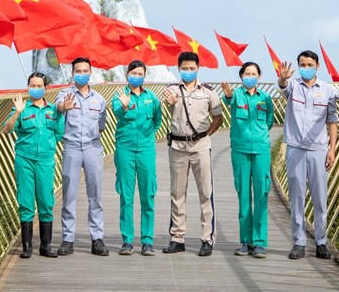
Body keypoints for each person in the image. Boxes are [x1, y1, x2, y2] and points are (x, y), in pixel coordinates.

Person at [161, 51, 224, 256]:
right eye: (184, 68)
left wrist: (205, 135)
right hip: (178, 147)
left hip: (201, 147)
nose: (188, 71)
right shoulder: (172, 90)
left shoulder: (208, 92)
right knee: (177, 193)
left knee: (205, 192)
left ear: (198, 68)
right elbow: (168, 101)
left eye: (192, 68)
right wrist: (171, 101)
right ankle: (177, 238)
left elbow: (218, 118)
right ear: (178, 69)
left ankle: (207, 239)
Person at [277, 50, 339, 260]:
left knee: (320, 197)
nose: (306, 67)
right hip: (295, 148)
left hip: (318, 149)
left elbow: (332, 120)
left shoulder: (328, 90)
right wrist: (283, 78)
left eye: (309, 64)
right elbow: (283, 86)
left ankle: (321, 242)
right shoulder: (293, 86)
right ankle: (299, 242)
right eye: (302, 64)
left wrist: (332, 149)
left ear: (317, 66)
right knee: (297, 196)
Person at [4, 72, 64, 259]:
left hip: (45, 161)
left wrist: (47, 147)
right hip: (25, 160)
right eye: (32, 85)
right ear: (28, 87)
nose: (35, 89)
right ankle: (27, 247)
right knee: (26, 201)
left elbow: (59, 133)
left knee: (46, 201)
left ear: (45, 88)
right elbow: (7, 129)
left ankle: (46, 246)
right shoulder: (22, 108)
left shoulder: (53, 110)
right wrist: (17, 113)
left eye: (39, 86)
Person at [55, 57, 109, 256]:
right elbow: (58, 106)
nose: (82, 74)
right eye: (78, 71)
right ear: (72, 73)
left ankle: (97, 239)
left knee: (95, 194)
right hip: (71, 148)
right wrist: (64, 107)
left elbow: (102, 125)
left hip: (93, 147)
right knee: (69, 194)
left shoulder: (99, 99)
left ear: (90, 72)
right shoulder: (65, 94)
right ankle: (68, 239)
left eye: (85, 71)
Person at [222, 62, 274, 258]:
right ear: (241, 76)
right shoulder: (236, 94)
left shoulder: (265, 98)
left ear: (259, 77)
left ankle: (259, 242)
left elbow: (269, 121)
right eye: (247, 73)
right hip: (240, 150)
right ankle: (245, 241)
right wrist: (228, 94)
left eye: (254, 74)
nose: (250, 77)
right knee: (243, 195)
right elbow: (228, 100)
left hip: (261, 150)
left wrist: (259, 135)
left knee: (262, 194)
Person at [111, 60, 163, 256]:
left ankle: (147, 241)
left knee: (148, 195)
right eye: (133, 73)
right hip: (125, 150)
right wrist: (125, 107)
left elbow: (157, 120)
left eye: (140, 74)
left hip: (146, 151)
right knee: (126, 195)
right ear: (127, 75)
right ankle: (127, 241)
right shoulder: (120, 96)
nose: (137, 76)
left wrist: (147, 137)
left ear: (144, 76)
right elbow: (117, 112)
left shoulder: (152, 98)